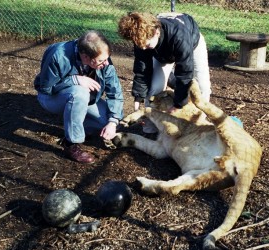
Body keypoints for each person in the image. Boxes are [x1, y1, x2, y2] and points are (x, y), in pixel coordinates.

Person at [34, 30, 124, 164]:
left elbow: (115, 91)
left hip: (82, 98)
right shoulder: (58, 56)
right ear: (86, 57)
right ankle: (71, 143)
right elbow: (45, 88)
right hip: (50, 98)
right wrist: (74, 80)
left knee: (107, 120)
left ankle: (76, 125)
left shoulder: (102, 57)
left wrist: (113, 122)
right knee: (79, 92)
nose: (106, 63)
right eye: (101, 60)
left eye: (106, 58)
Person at [118, 12, 211, 133]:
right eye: (141, 46)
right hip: (161, 53)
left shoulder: (180, 36)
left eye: (147, 45)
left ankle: (199, 125)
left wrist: (178, 104)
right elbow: (142, 69)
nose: (144, 49)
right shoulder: (141, 39)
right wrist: (138, 96)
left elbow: (184, 73)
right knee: (155, 87)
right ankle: (149, 128)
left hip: (191, 44)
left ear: (156, 32)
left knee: (202, 86)